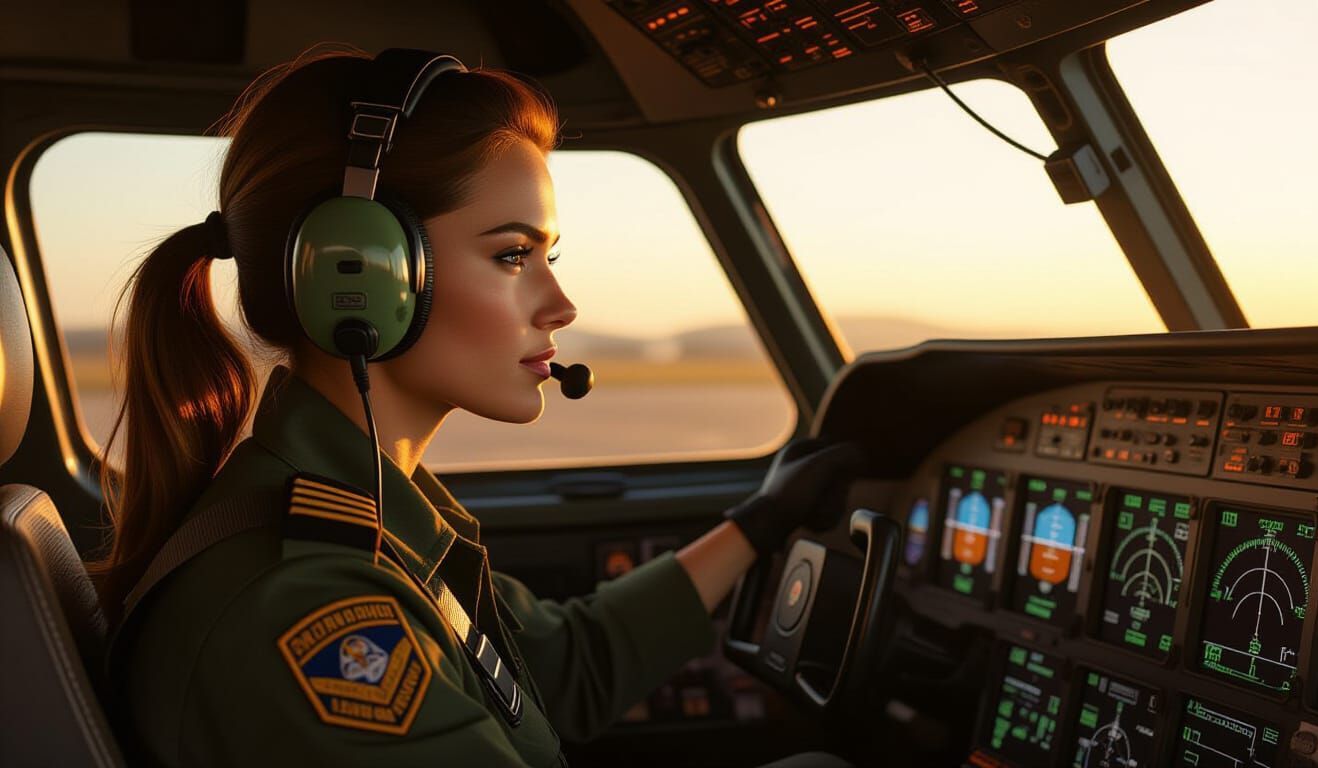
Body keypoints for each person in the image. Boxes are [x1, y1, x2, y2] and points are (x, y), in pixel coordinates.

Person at [94, 46, 863, 767]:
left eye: (545, 256)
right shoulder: (308, 604)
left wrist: (759, 522)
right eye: (511, 255)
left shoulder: (380, 512)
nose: (561, 305)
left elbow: (567, 667)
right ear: (359, 275)